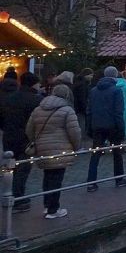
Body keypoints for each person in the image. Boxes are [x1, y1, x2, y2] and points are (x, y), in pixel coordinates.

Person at [25, 83, 81, 219]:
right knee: (56, 179)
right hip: (60, 149)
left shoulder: (38, 109)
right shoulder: (67, 110)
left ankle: (47, 205)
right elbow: (74, 132)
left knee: (47, 177)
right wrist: (75, 147)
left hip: (43, 149)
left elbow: (29, 130)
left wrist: (37, 142)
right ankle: (53, 209)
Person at [0, 72, 42, 212]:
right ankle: (17, 198)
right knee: (23, 168)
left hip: (9, 137)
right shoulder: (35, 100)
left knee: (10, 167)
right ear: (32, 83)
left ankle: (8, 194)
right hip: (25, 139)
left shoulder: (9, 99)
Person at [87, 67, 126, 191]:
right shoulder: (116, 91)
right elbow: (118, 112)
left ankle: (91, 182)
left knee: (95, 154)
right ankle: (119, 179)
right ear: (115, 76)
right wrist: (122, 129)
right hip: (113, 126)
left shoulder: (93, 90)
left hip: (97, 125)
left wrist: (89, 127)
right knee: (117, 153)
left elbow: (89, 110)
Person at [111, 67, 126, 141]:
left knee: (112, 127)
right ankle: (122, 145)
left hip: (111, 109)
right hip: (125, 110)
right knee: (124, 127)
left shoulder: (110, 86)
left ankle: (111, 144)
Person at [72, 68, 94, 133]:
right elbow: (82, 99)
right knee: (81, 129)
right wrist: (86, 110)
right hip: (80, 111)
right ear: (86, 75)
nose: (92, 77)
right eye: (91, 75)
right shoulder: (83, 85)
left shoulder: (78, 82)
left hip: (76, 109)